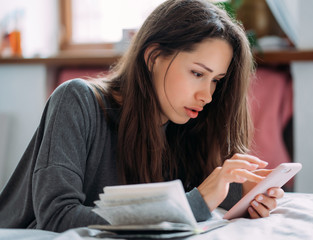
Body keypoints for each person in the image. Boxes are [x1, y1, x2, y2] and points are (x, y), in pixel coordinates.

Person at [0, 0, 283, 232]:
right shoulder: (76, 100)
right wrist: (194, 205)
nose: (207, 96)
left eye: (216, 81)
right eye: (198, 74)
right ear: (153, 57)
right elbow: (57, 217)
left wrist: (246, 193)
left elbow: (197, 188)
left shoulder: (180, 126)